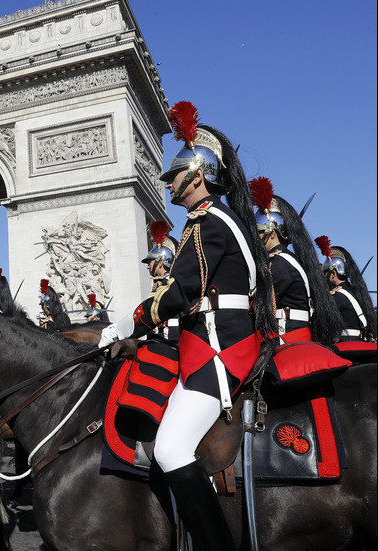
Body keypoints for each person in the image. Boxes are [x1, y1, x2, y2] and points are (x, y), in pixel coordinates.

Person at [99, 101, 277, 551]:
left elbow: (178, 295)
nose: (169, 183)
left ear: (197, 175)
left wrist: (124, 325)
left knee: (172, 448)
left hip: (220, 349)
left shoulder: (207, 224)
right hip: (207, 345)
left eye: (175, 176)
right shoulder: (214, 222)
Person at [250, 178, 345, 345]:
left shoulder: (279, 263)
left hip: (287, 336)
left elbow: (259, 305)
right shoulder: (289, 260)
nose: (255, 239)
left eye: (259, 233)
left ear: (272, 233)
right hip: (294, 333)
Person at [315, 236, 377, 342]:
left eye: (326, 273)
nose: (324, 276)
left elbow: (318, 326)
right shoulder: (356, 293)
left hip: (344, 346)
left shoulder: (336, 296)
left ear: (333, 274)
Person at [142, 220, 179, 342]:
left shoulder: (171, 281)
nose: (148, 267)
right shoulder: (160, 282)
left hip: (173, 337)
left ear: (160, 262)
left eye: (150, 262)